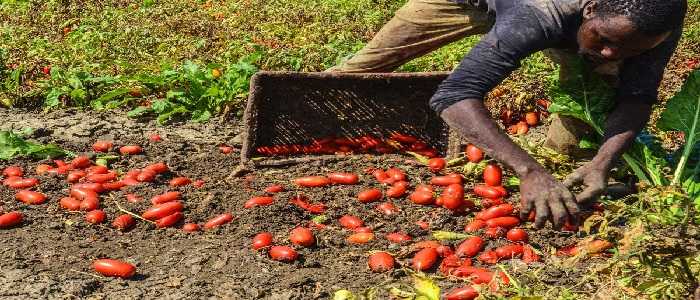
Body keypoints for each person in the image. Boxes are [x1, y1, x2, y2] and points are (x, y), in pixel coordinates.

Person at [330, 0, 687, 228]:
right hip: (467, 3)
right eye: (605, 40)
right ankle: (327, 109)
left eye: (628, 49)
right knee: (375, 59)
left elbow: (637, 98)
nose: (612, 53)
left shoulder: (655, 23)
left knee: (594, 94)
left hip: (574, 25)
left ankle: (568, 167)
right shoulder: (544, 13)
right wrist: (528, 169)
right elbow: (455, 94)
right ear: (590, 8)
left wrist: (604, 161)